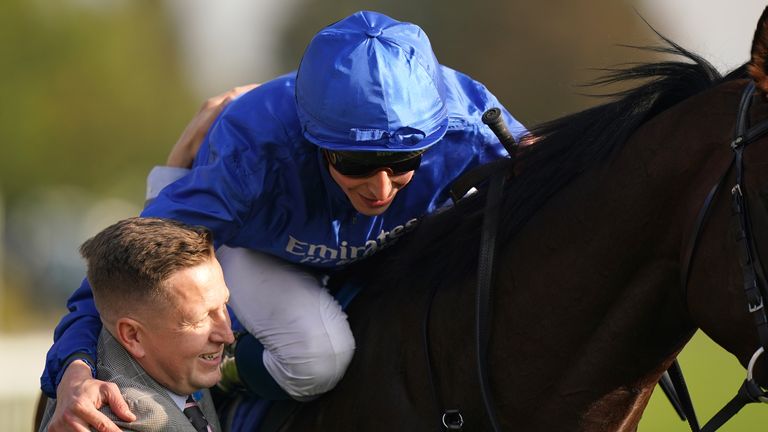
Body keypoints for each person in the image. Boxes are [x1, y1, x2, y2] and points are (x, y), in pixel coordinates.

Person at [41, 10, 528, 431]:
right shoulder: (251, 155)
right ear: (313, 140)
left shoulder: (471, 125)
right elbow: (115, 281)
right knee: (317, 358)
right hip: (257, 252)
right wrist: (73, 371)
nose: (381, 190)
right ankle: (224, 374)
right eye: (356, 164)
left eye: (403, 162)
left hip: (387, 251)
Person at [39, 217, 234, 431]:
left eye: (224, 305)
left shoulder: (173, 366)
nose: (227, 335)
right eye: (199, 319)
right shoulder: (116, 421)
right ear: (132, 336)